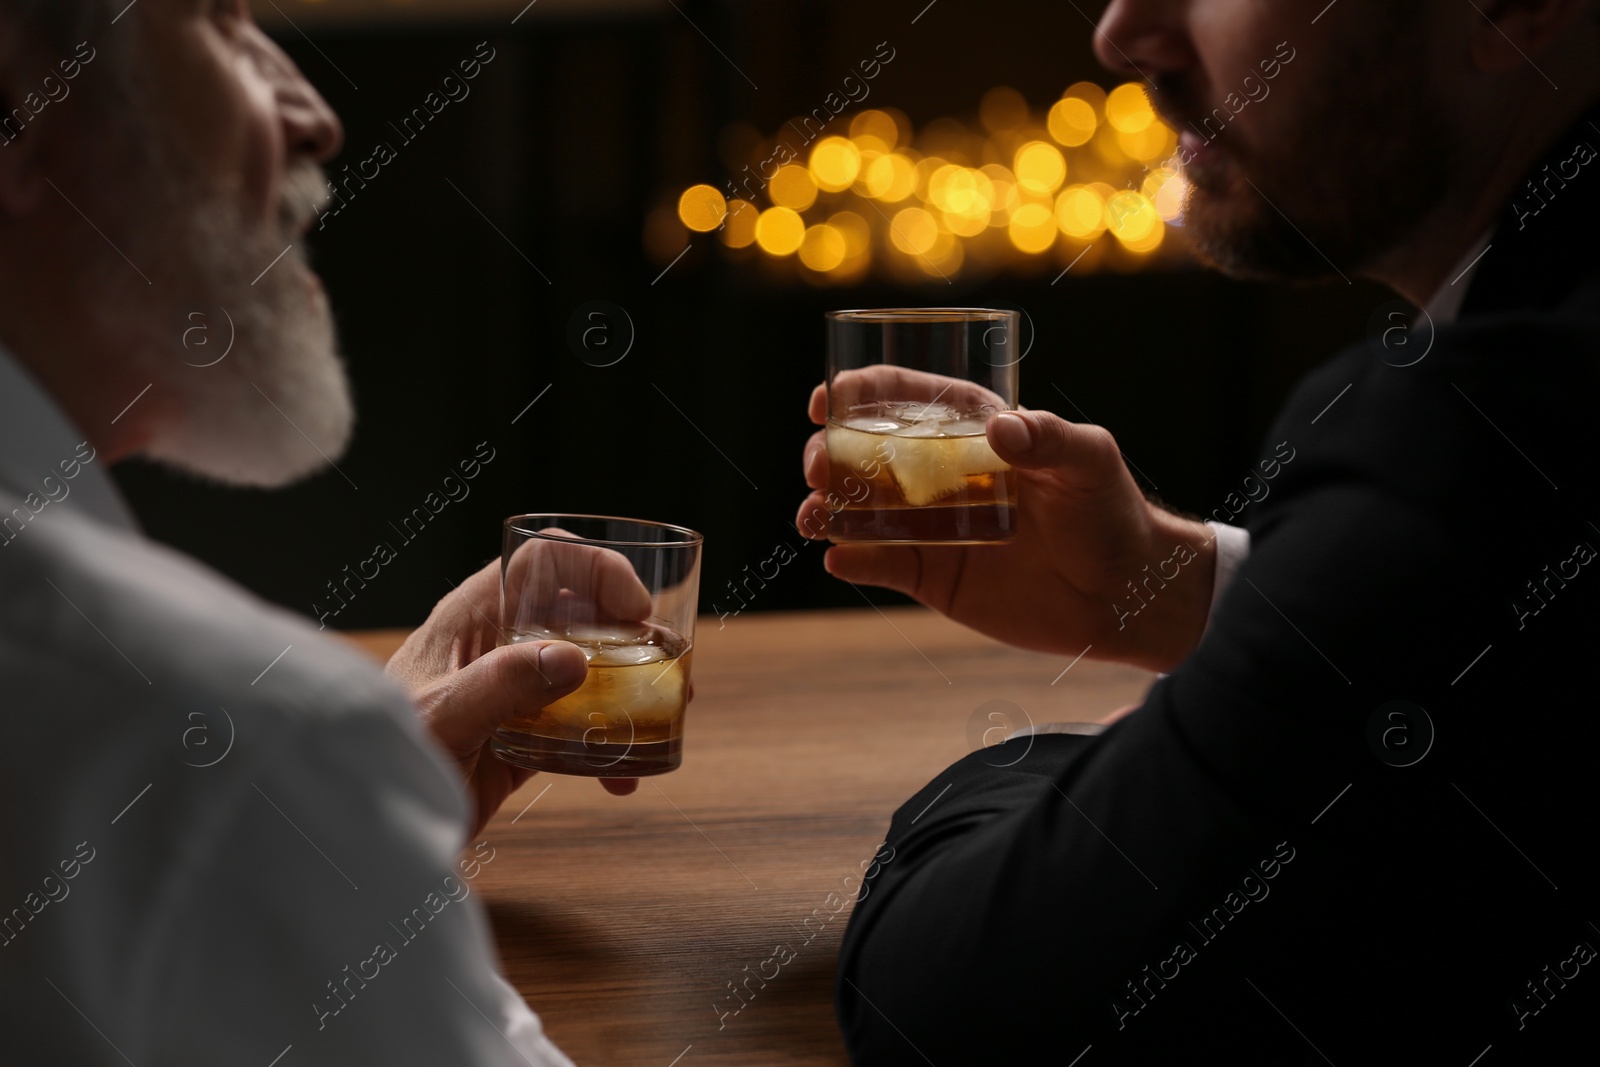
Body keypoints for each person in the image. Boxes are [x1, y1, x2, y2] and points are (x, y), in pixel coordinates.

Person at [799, 0, 1600, 1061]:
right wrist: (1193, 593)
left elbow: (954, 997)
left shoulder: (1471, 436)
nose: (1123, 33)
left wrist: (1001, 777)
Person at [0, 2, 638, 1063]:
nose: (316, 115)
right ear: (19, 113)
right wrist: (324, 821)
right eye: (216, 22)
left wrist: (332, 835)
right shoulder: (237, 741)